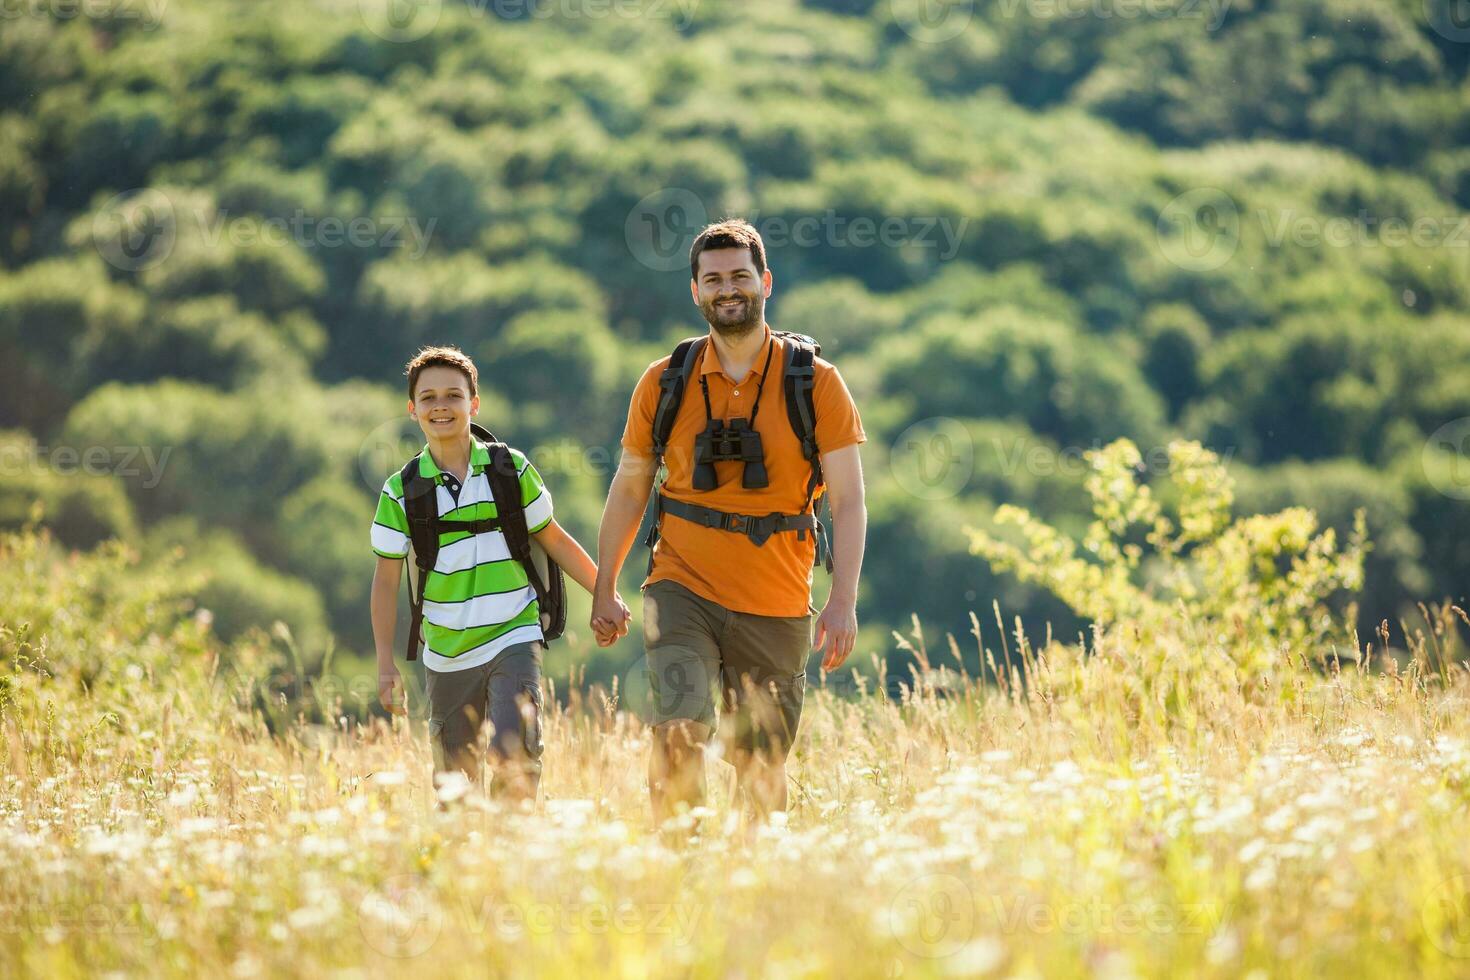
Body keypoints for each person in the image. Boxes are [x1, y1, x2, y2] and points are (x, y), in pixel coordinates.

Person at [591, 219, 867, 824]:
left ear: (765, 281)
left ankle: (750, 887)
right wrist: (605, 586)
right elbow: (632, 485)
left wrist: (842, 599)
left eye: (740, 275)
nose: (728, 288)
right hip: (681, 583)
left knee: (761, 764)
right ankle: (680, 866)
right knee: (679, 730)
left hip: (778, 595)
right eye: (713, 279)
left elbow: (847, 500)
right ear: (695, 291)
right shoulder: (664, 381)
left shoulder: (816, 383)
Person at [369, 345, 628, 803]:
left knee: (515, 754)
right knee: (456, 786)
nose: (441, 406)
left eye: (453, 395)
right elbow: (386, 582)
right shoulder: (400, 492)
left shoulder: (510, 469)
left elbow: (554, 539)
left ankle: (520, 855)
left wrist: (604, 595)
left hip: (514, 634)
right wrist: (386, 665)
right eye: (428, 398)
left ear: (474, 402)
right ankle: (470, 868)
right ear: (412, 410)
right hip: (446, 652)